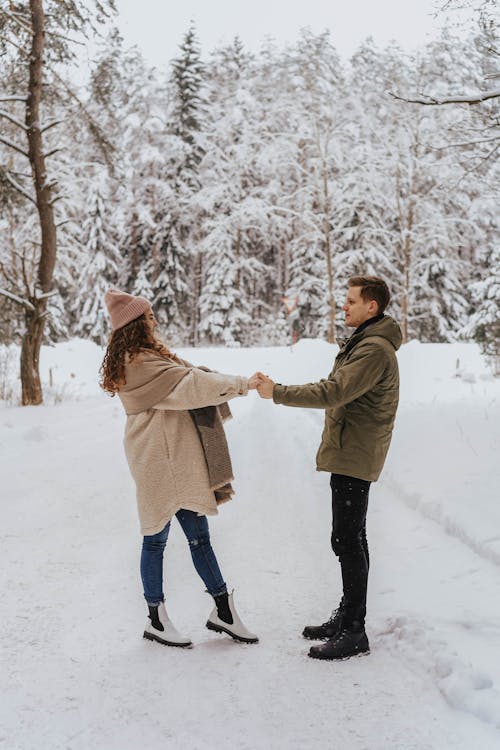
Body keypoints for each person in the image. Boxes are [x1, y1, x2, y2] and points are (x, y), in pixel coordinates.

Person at [100, 289, 259, 648]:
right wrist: (242, 384)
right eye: (148, 317)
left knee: (198, 536)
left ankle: (223, 610)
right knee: (155, 538)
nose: (154, 321)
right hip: (157, 459)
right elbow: (192, 387)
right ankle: (156, 618)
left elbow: (190, 379)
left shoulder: (150, 358)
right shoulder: (139, 364)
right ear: (135, 325)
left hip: (174, 458)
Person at [256, 276, 402, 660]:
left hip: (356, 452)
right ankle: (348, 617)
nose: (345, 307)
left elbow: (334, 391)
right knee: (351, 537)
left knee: (346, 539)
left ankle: (355, 631)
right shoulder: (365, 343)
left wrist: (279, 393)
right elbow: (338, 387)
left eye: (351, 301)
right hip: (351, 450)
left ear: (372, 306)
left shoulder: (373, 350)